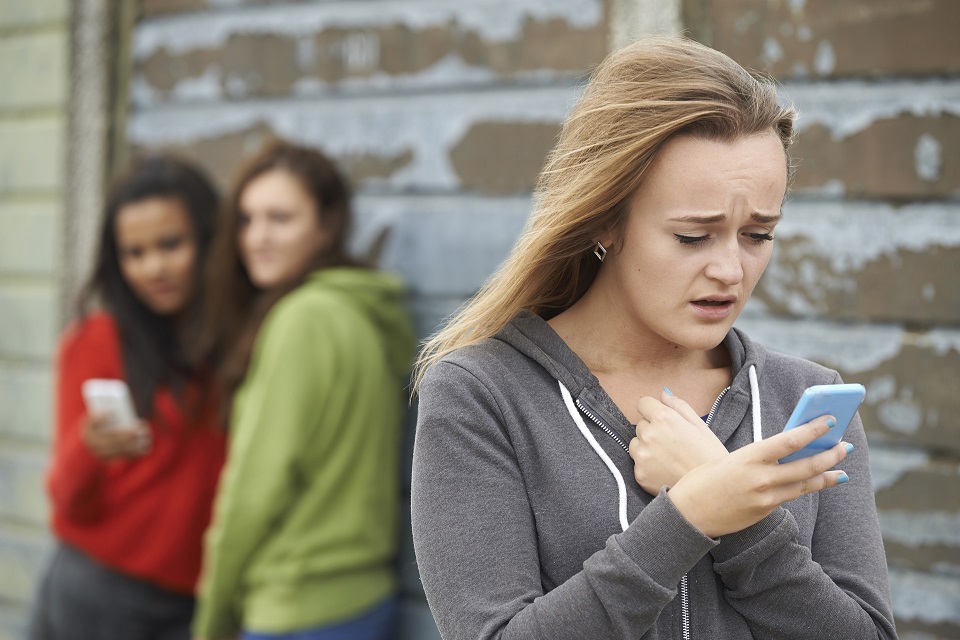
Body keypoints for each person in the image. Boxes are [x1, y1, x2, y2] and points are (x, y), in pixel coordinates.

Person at [410, 37, 898, 640]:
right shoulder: (482, 395)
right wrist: (689, 515)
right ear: (604, 219)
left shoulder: (808, 404)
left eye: (757, 235)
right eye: (694, 236)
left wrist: (746, 524)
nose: (731, 270)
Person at [192, 139, 415, 640]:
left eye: (280, 218)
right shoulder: (366, 311)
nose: (257, 237)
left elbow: (252, 493)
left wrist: (212, 618)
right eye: (247, 219)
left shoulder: (302, 320)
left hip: (296, 611)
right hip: (366, 603)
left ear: (327, 224)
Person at [29, 156, 227, 640]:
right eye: (133, 253)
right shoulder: (93, 340)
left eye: (170, 244)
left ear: (208, 239)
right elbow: (64, 499)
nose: (153, 267)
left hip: (195, 603)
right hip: (96, 591)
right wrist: (88, 449)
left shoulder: (236, 342)